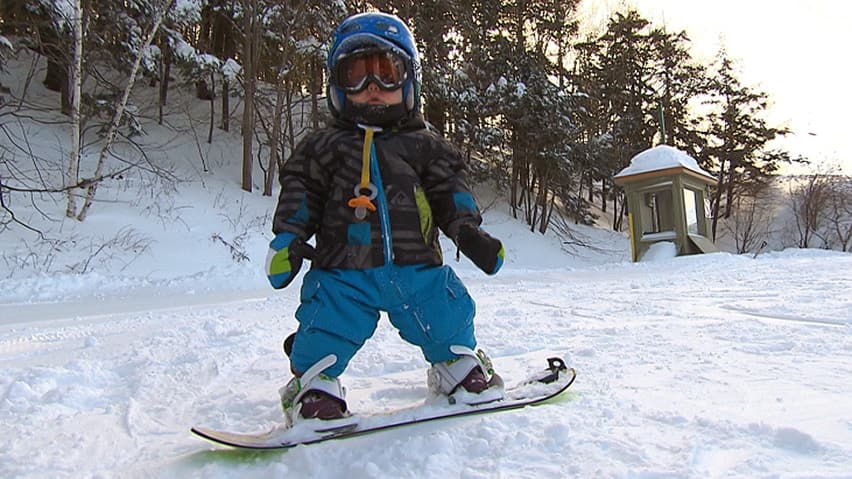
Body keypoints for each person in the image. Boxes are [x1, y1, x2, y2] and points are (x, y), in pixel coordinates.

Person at [265, 11, 506, 424]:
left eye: (386, 73)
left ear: (409, 81)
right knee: (326, 325)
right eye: (356, 74)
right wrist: (287, 239)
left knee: (446, 316)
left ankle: (456, 364)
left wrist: (467, 231)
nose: (372, 87)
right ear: (337, 85)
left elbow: (450, 191)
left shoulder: (425, 146)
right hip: (344, 270)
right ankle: (314, 384)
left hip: (418, 268)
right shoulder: (322, 147)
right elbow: (300, 193)